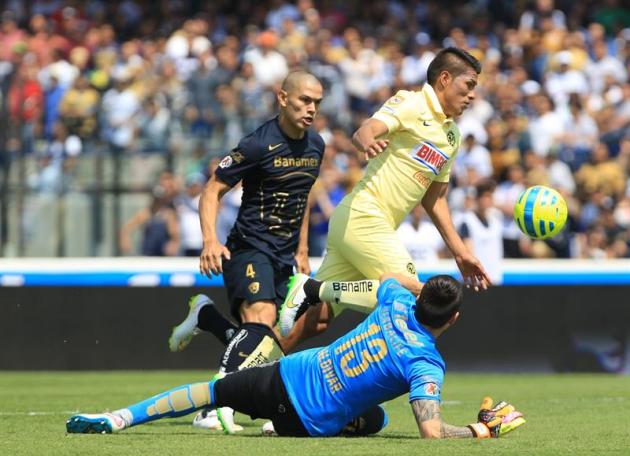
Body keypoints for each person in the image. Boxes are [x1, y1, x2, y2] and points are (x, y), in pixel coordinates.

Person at [66, 274, 525, 438]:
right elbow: (431, 432)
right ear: (455, 319)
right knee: (378, 421)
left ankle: (120, 418)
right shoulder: (426, 363)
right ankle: (277, 424)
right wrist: (480, 430)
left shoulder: (395, 301)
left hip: (286, 372)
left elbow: (385, 277)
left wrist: (324, 289)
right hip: (305, 423)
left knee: (209, 391)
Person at [278, 47, 491, 342]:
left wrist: (461, 253)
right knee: (409, 291)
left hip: (360, 226)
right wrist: (368, 142)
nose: (472, 95)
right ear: (444, 78)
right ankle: (311, 289)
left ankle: (235, 376)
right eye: (468, 85)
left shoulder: (451, 137)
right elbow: (366, 130)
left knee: (315, 320)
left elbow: (435, 199)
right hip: (365, 215)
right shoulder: (411, 102)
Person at [167, 71, 325, 429]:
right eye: (304, 100)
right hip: (249, 248)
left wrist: (302, 249)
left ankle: (206, 318)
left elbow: (302, 198)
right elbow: (211, 191)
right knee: (261, 320)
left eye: (317, 102)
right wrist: (211, 240)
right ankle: (212, 405)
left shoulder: (316, 145)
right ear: (283, 98)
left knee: (310, 321)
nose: (311, 108)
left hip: (286, 256)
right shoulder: (257, 144)